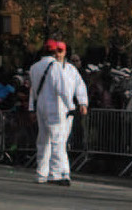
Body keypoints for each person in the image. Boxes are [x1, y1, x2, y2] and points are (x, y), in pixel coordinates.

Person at [28, 38, 88, 185]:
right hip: (55, 107)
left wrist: (32, 108)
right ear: (54, 51)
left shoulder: (34, 67)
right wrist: (71, 106)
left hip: (42, 106)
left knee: (44, 140)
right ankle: (58, 173)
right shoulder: (55, 67)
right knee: (58, 140)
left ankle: (42, 172)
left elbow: (33, 90)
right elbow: (62, 88)